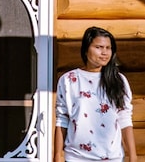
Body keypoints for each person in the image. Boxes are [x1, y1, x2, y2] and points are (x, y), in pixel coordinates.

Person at [54, 26, 137, 162]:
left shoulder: (119, 80)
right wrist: (57, 155)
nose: (104, 52)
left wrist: (133, 156)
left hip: (112, 157)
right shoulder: (69, 80)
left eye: (108, 48)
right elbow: (62, 119)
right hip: (77, 157)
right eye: (98, 47)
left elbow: (125, 118)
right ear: (86, 49)